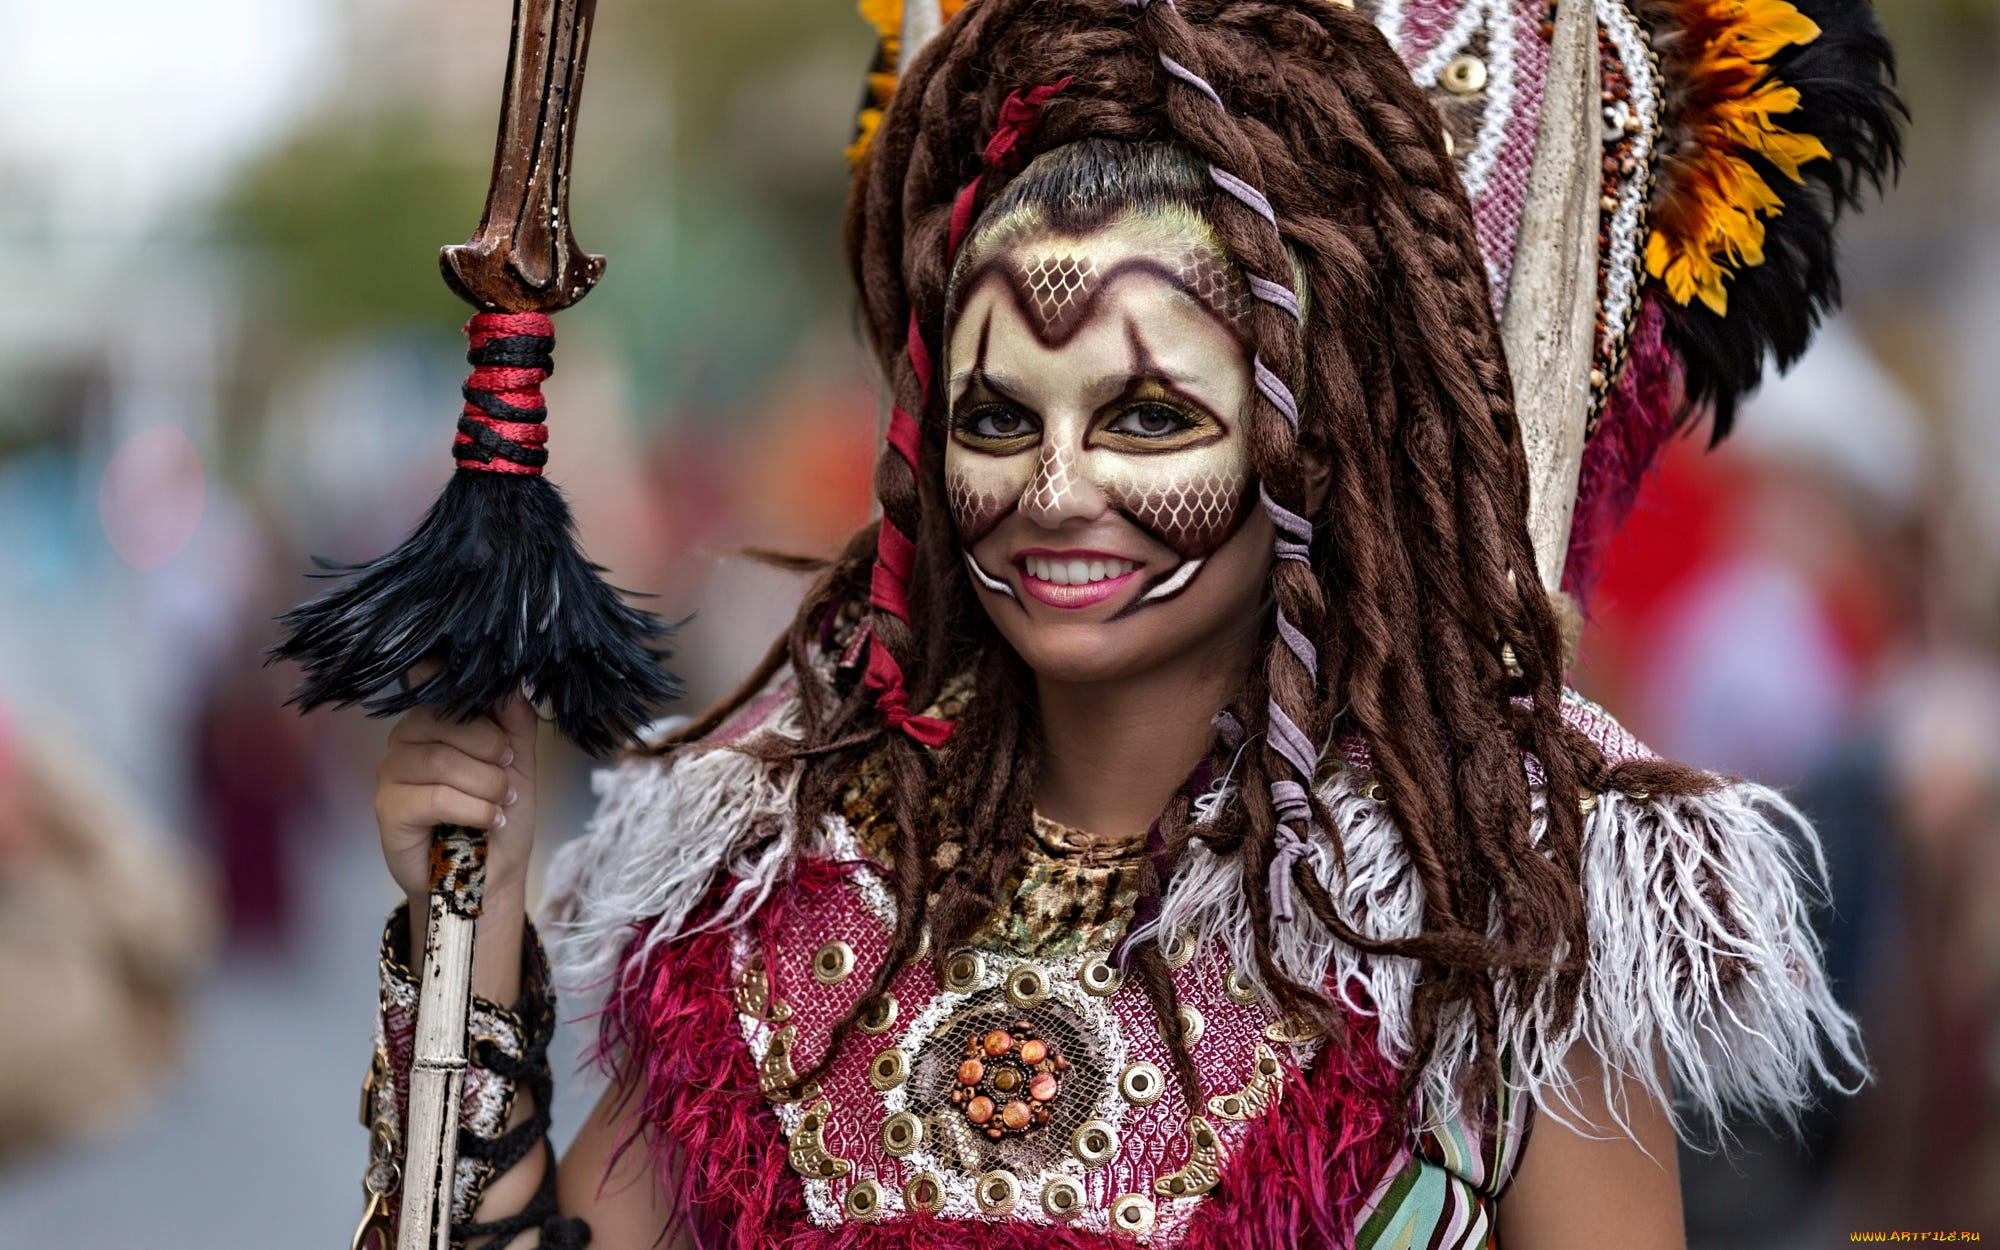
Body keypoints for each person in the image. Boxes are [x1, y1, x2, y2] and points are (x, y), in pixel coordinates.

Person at [355, 0, 1898, 1245]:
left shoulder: (1494, 937)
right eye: (995, 415)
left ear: (1314, 437)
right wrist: (466, 952)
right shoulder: (763, 892)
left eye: (1151, 413)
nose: (1055, 483)